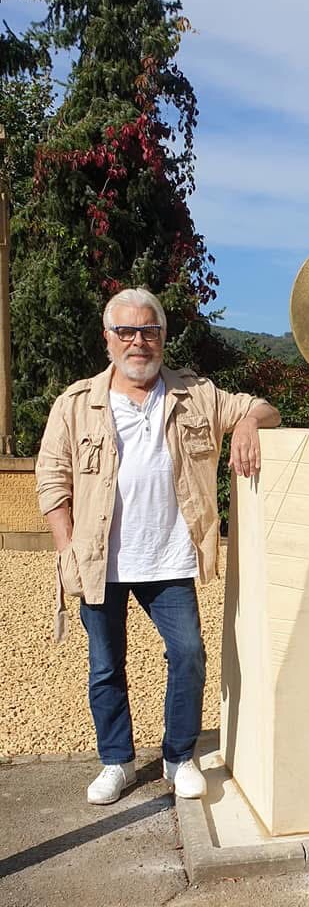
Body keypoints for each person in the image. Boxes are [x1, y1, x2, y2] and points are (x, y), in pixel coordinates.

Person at [36, 288, 281, 805]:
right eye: (126, 331)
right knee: (106, 666)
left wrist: (247, 423)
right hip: (100, 562)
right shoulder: (75, 405)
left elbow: (266, 408)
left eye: (149, 330)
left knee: (188, 654)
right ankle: (116, 761)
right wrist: (67, 546)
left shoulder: (196, 396)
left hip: (170, 558)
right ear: (108, 339)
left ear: (163, 337)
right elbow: (52, 479)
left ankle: (179, 757)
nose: (138, 341)